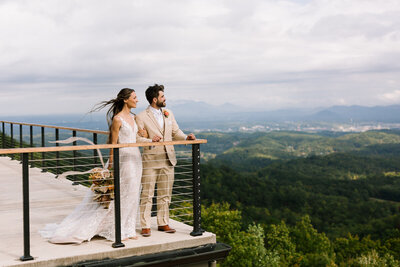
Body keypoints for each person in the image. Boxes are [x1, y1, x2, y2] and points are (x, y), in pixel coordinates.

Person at [39, 88, 156, 244]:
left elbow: (135, 138)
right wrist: (111, 165)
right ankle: (117, 229)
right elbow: (113, 144)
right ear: (125, 100)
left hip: (135, 157)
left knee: (133, 193)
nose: (137, 100)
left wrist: (147, 138)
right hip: (123, 159)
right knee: (122, 194)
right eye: (134, 97)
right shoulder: (117, 119)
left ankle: (128, 228)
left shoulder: (133, 118)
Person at [136, 84, 196, 237]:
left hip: (168, 159)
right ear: (155, 99)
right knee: (147, 194)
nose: (165, 98)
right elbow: (137, 138)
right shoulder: (141, 116)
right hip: (150, 160)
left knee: (165, 194)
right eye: (162, 96)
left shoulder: (169, 113)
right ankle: (145, 225)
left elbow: (175, 132)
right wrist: (150, 140)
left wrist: (186, 138)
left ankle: (163, 223)